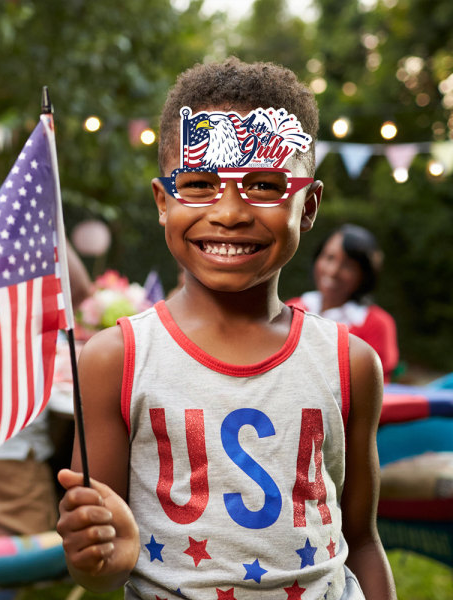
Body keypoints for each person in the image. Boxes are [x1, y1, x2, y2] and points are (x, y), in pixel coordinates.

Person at [57, 58, 396, 599]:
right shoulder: (114, 360)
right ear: (162, 202)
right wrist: (98, 559)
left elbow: (361, 538)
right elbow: (100, 562)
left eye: (264, 185)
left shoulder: (350, 364)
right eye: (199, 184)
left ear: (308, 206)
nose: (231, 212)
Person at [288, 224, 399, 382]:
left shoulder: (378, 324)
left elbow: (378, 385)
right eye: (329, 258)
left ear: (364, 275)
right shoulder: (292, 308)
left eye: (348, 265)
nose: (333, 271)